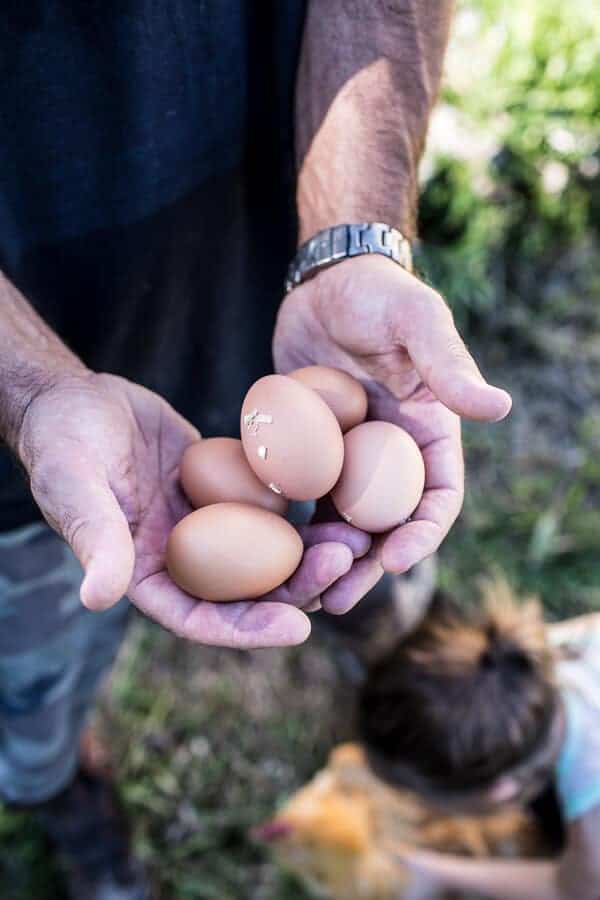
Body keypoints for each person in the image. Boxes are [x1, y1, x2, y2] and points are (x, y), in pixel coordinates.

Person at [0, 3, 511, 897]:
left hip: (292, 306)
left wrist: (353, 238)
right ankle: (64, 796)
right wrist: (29, 387)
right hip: (30, 435)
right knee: (31, 688)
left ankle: (395, 649)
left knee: (365, 557)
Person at [359, 578, 600, 900]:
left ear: (499, 792)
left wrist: (429, 869)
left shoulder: (592, 822)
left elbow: (572, 890)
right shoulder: (523, 657)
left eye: (416, 794)